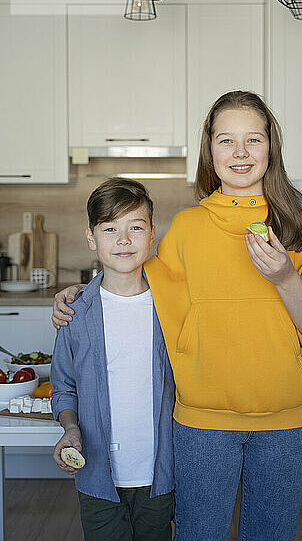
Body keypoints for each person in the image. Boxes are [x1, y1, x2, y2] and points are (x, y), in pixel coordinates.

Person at [52, 91, 302, 541]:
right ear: (209, 150)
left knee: (270, 535)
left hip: (286, 424)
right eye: (225, 140)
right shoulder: (187, 229)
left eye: (253, 139)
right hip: (201, 426)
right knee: (199, 534)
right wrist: (78, 295)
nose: (240, 153)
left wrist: (286, 278)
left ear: (271, 148)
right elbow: (135, 283)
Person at [51, 178, 175, 541]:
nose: (124, 240)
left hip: (161, 474)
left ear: (152, 235)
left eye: (135, 227)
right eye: (110, 229)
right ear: (92, 238)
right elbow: (64, 387)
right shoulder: (75, 312)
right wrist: (70, 428)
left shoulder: (172, 305)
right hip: (97, 478)